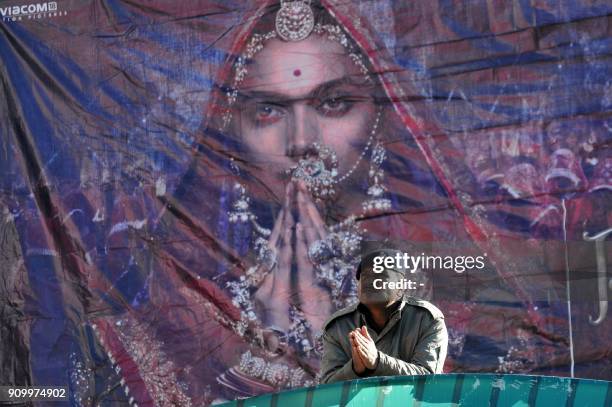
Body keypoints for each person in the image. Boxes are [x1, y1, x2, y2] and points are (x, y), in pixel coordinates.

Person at [320, 250, 448, 383]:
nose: (371, 282)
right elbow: (327, 388)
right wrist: (355, 369)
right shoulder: (338, 326)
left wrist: (378, 361)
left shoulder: (427, 319)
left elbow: (428, 379)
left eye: (380, 275)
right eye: (365, 276)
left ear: (401, 285)